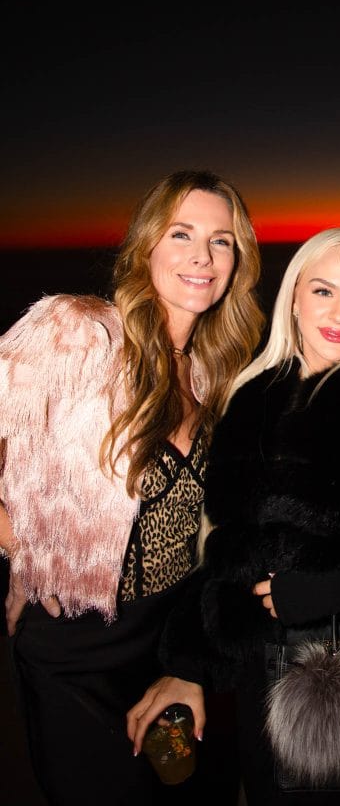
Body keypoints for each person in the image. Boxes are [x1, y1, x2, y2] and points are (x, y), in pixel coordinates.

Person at [127, 227, 340, 805]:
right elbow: (228, 556)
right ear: (293, 296)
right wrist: (190, 665)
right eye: (323, 291)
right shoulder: (252, 398)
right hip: (262, 685)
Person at [0, 169, 264, 806]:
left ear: (239, 262)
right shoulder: (78, 335)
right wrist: (23, 551)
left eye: (222, 241)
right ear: (147, 245)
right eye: (182, 233)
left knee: (181, 793)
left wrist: (196, 657)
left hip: (171, 645)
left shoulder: (217, 375)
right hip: (77, 652)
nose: (202, 256)